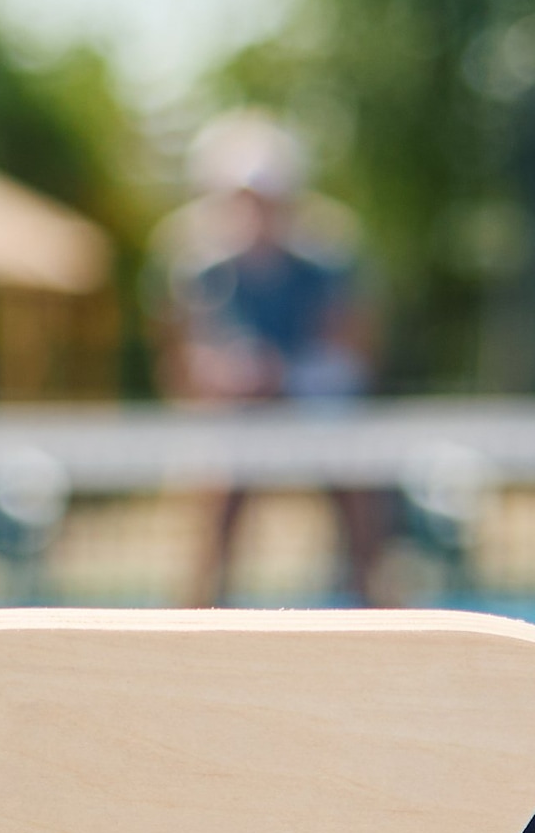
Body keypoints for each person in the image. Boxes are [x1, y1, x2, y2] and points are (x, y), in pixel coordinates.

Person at [158, 111, 403, 609]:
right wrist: (222, 379)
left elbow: (353, 354)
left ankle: (380, 609)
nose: (255, 211)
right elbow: (185, 366)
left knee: (360, 497)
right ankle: (194, 624)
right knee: (214, 503)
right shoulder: (199, 270)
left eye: (266, 199)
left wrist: (284, 377)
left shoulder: (329, 263)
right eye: (244, 198)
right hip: (236, 425)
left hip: (318, 413)